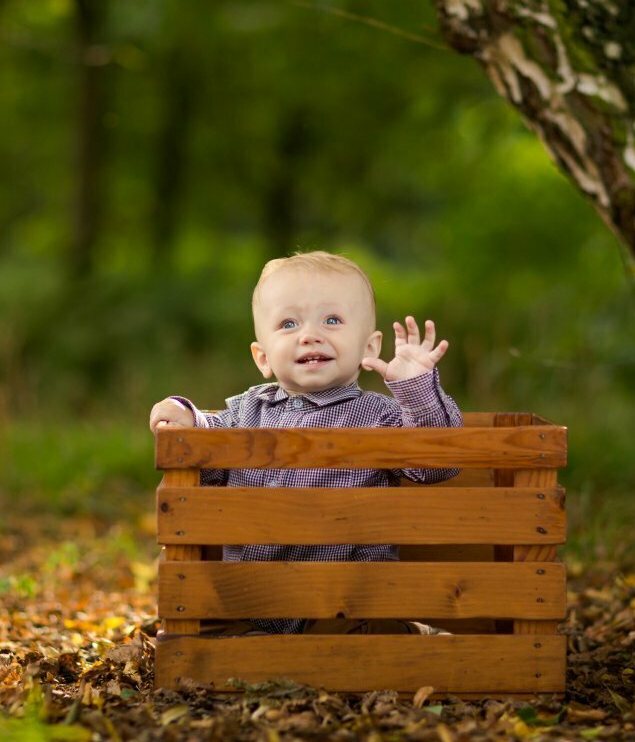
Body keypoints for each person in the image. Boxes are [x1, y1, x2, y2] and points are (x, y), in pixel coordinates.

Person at [148, 251, 462, 634]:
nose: (310, 334)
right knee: (209, 628)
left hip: (345, 603)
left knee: (365, 636)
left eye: (332, 320)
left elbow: (437, 464)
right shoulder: (250, 410)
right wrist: (184, 417)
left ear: (369, 347)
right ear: (262, 357)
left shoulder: (383, 417)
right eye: (289, 323)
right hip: (251, 600)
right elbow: (210, 439)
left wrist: (415, 389)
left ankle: (413, 636)